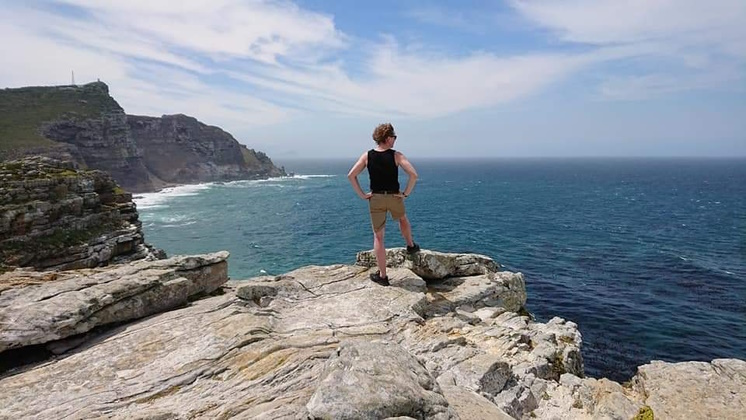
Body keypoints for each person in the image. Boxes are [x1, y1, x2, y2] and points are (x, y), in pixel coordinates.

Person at [347, 123, 420, 286]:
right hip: (394, 197)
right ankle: (411, 245)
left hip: (376, 198)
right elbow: (413, 175)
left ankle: (383, 276)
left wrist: (362, 195)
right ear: (387, 138)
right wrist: (405, 194)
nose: (395, 140)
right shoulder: (397, 156)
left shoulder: (367, 156)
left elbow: (351, 175)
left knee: (379, 237)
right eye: (394, 137)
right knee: (402, 219)